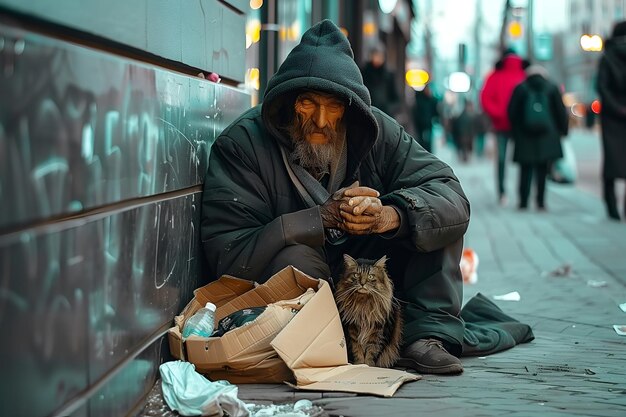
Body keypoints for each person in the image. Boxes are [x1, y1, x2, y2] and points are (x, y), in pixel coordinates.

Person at [201, 20, 470, 374]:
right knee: (294, 256)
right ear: (286, 104)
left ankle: (425, 336)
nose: (321, 121)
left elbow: (450, 195)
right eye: (307, 105)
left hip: (372, 286)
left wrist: (391, 215)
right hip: (302, 287)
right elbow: (227, 251)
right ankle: (331, 339)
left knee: (431, 219)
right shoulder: (244, 145)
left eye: (334, 108)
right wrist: (319, 218)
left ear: (350, 109)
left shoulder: (378, 132)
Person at [507, 65, 568, 211]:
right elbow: (561, 112)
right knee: (543, 169)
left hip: (524, 136)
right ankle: (540, 202)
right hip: (547, 136)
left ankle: (523, 201)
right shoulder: (552, 88)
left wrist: (515, 133)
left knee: (525, 169)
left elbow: (512, 112)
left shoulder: (520, 88)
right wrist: (562, 132)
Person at [479, 48, 528, 206]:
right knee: (524, 160)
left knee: (500, 160)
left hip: (500, 125)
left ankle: (502, 193)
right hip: (521, 125)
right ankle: (524, 195)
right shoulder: (524, 74)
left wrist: (499, 114)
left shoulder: (494, 75)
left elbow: (485, 98)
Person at [596, 21, 626, 221]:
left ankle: (612, 207)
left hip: (611, 117)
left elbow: (602, 87)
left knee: (611, 161)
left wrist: (617, 107)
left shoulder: (607, 56)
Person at [360, 42, 400, 117]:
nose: (377, 58)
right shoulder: (364, 73)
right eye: (375, 55)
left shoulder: (389, 75)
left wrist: (388, 109)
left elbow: (396, 99)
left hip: (384, 115)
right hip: (367, 114)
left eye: (379, 55)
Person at [412, 84, 439, 152]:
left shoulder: (432, 100)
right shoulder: (420, 100)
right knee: (421, 140)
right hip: (420, 124)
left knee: (428, 140)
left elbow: (435, 111)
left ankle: (428, 152)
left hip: (428, 123)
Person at [451, 99, 476, 163]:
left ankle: (464, 158)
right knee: (464, 146)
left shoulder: (465, 115)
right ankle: (464, 158)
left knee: (463, 146)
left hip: (463, 134)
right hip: (464, 134)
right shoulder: (466, 115)